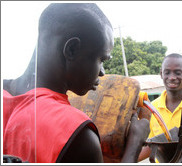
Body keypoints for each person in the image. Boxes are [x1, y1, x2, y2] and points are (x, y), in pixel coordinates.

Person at [3, 3, 150, 163]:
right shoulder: (76, 134)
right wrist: (134, 145)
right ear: (71, 49)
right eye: (101, 59)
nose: (102, 72)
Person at [138, 53, 182, 162]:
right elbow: (153, 146)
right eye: (167, 72)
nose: (172, 77)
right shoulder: (152, 108)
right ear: (161, 74)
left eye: (178, 73)